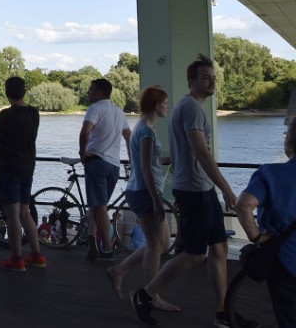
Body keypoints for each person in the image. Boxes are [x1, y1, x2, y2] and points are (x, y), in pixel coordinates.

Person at [132, 55, 246, 328]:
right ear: (192, 82)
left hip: (202, 189)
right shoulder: (191, 108)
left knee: (218, 249)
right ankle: (145, 295)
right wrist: (227, 189)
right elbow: (201, 152)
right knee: (195, 254)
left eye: (213, 77)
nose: (211, 81)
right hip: (194, 190)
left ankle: (222, 312)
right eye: (205, 77)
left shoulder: (189, 107)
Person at [106, 86, 177, 311]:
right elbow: (145, 168)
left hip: (141, 190)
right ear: (157, 105)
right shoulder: (146, 131)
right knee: (156, 245)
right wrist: (157, 201)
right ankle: (152, 296)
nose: (167, 106)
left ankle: (119, 270)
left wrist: (173, 158)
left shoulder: (143, 129)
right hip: (144, 193)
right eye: (165, 102)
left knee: (163, 244)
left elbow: (151, 162)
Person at [235, 121, 296, 328]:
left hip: (285, 261)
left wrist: (257, 238)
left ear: (289, 145)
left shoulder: (270, 174)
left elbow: (243, 205)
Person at [0, 76, 45, 272]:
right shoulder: (34, 113)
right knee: (24, 211)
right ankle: (37, 255)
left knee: (12, 215)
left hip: (9, 167)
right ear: (24, 91)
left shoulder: (5, 115)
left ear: (7, 92)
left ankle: (17, 258)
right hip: (28, 166)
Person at [79, 78, 130, 262]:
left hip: (97, 162)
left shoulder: (95, 109)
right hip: (114, 166)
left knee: (99, 206)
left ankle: (107, 249)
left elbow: (85, 132)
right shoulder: (118, 111)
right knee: (97, 204)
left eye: (91, 90)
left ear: (100, 92)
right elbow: (128, 136)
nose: (88, 93)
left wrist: (82, 153)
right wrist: (132, 159)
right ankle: (92, 234)